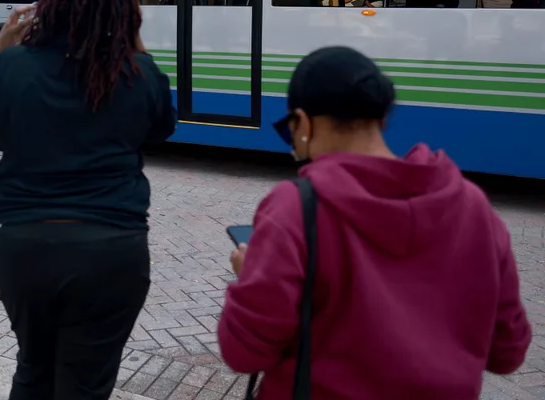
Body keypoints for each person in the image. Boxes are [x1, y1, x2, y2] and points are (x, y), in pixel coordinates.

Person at [218, 46, 532, 399]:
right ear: (380, 119)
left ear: (304, 124)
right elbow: (508, 352)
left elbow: (243, 352)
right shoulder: (473, 206)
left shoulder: (295, 208)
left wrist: (251, 277)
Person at [0, 0, 176, 400]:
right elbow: (163, 126)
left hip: (25, 245)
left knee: (33, 370)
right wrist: (131, 37)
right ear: (124, 8)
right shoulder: (137, 71)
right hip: (112, 251)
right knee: (85, 386)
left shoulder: (12, 66)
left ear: (48, 2)